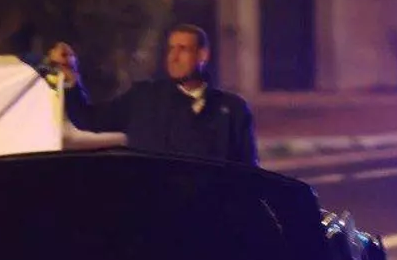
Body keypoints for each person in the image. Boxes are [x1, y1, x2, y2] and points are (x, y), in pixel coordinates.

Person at [43, 24, 260, 166]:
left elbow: (249, 172)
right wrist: (71, 78)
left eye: (183, 49)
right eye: (171, 49)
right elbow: (88, 119)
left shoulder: (232, 110)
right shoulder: (144, 99)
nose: (174, 57)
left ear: (202, 55)